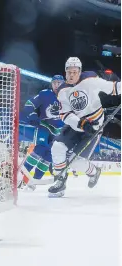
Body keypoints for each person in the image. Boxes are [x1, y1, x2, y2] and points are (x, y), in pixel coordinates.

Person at [48, 57, 121, 197]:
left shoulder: (91, 80)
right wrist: (80, 123)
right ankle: (60, 182)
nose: (71, 75)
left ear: (80, 71)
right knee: (57, 147)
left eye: (74, 72)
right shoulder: (62, 91)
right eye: (68, 72)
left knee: (77, 163)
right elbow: (65, 114)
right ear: (65, 72)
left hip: (94, 127)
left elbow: (112, 88)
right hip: (77, 125)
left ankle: (94, 172)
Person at [18, 75, 64, 189]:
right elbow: (29, 104)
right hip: (44, 127)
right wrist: (32, 116)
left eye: (59, 82)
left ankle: (34, 182)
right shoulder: (45, 94)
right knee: (40, 149)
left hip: (60, 131)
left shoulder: (68, 96)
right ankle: (21, 179)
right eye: (55, 83)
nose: (57, 85)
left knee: (49, 156)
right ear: (51, 84)